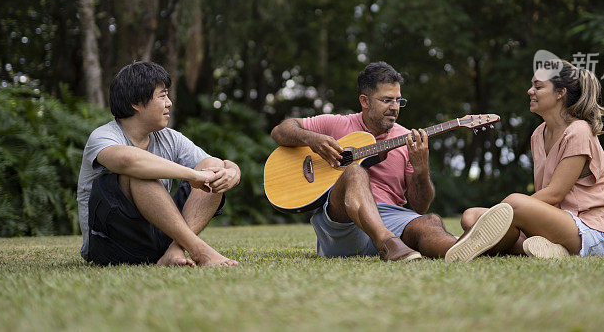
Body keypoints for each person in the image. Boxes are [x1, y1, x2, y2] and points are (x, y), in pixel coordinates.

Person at [270, 61, 513, 262]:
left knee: (430, 222)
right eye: (387, 100)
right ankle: (387, 244)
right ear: (365, 101)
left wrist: (421, 167)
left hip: (392, 217)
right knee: (355, 173)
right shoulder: (337, 124)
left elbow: (419, 207)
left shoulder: (406, 138)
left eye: (398, 100)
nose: (395, 107)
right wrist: (312, 138)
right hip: (344, 222)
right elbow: (281, 131)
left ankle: (463, 249)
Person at [76, 61, 241, 267]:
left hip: (159, 240)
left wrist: (232, 171)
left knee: (213, 164)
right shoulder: (103, 136)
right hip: (111, 245)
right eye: (162, 96)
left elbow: (215, 163)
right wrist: (194, 176)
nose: (169, 103)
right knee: (136, 172)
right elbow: (127, 160)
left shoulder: (169, 137)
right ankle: (200, 251)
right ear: (136, 102)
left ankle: (175, 250)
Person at [460, 59, 604, 258]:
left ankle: (477, 244)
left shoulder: (579, 131)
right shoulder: (538, 134)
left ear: (560, 93)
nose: (530, 91)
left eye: (538, 86)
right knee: (470, 216)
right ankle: (550, 250)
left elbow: (555, 193)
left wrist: (502, 213)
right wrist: (499, 215)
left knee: (514, 203)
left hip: (586, 231)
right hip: (549, 224)